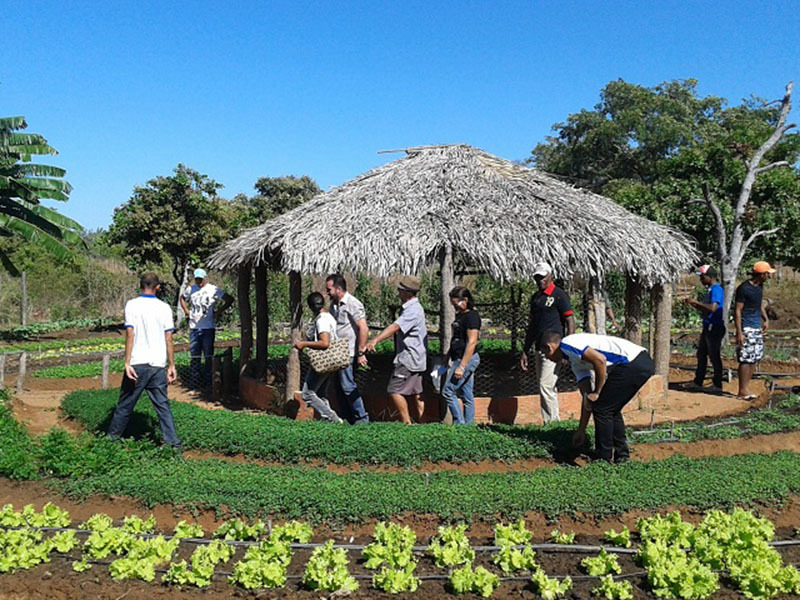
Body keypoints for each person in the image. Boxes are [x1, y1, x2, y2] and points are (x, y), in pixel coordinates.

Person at [541, 331, 654, 463]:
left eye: (545, 353)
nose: (546, 357)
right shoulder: (575, 362)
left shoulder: (567, 344)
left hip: (633, 362)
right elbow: (587, 398)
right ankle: (621, 455)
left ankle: (603, 458)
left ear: (550, 347)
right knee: (610, 408)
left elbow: (600, 360)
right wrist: (581, 430)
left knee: (603, 409)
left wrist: (597, 392)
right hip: (637, 363)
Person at [107, 273, 181, 449]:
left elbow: (130, 334)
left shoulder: (132, 305)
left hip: (137, 364)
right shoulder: (164, 308)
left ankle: (110, 444)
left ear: (140, 286)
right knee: (163, 407)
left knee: (124, 407)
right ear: (158, 288)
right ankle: (174, 446)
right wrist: (171, 365)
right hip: (157, 365)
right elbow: (168, 338)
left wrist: (127, 363)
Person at [366, 276, 427, 424]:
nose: (398, 292)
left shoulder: (412, 310)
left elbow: (395, 327)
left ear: (407, 292)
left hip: (408, 358)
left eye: (400, 290)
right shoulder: (415, 308)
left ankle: (407, 424)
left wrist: (375, 339)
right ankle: (423, 424)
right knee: (416, 393)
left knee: (394, 390)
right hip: (417, 358)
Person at [520, 262, 576, 422]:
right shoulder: (536, 298)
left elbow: (570, 321)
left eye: (542, 277)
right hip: (539, 347)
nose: (540, 280)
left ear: (550, 276)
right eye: (537, 277)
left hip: (554, 349)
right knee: (545, 385)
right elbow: (532, 325)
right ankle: (551, 421)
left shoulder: (559, 295)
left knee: (546, 386)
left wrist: (567, 347)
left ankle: (552, 423)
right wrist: (525, 349)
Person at [325, 274, 370, 424]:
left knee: (348, 386)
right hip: (338, 352)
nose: (327, 293)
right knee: (339, 387)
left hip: (348, 352)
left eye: (329, 289)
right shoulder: (334, 305)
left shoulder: (353, 304)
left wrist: (361, 352)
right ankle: (347, 417)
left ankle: (362, 418)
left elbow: (363, 328)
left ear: (338, 289)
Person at [293, 292, 345, 423]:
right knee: (321, 393)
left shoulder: (321, 320)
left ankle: (332, 418)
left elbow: (325, 342)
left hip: (322, 360)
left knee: (307, 394)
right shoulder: (329, 317)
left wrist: (304, 344)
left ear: (310, 307)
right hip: (332, 359)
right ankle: (326, 420)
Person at [180, 268, 233, 391]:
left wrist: (218, 312)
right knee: (195, 356)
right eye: (197, 279)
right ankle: (195, 384)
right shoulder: (191, 289)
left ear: (205, 278)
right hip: (194, 327)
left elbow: (229, 299)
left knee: (208, 356)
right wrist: (187, 311)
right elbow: (182, 298)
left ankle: (209, 383)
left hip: (208, 327)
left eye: (200, 279)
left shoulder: (212, 289)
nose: (199, 281)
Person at [735, 261, 775, 400]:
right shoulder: (744, 288)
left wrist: (765, 319)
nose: (769, 277)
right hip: (747, 327)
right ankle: (742, 390)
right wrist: (739, 332)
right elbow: (738, 310)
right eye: (767, 274)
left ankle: (746, 388)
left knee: (754, 358)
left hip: (756, 326)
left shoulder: (759, 287)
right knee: (745, 358)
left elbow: (759, 305)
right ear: (761, 274)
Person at [442, 286, 482, 424]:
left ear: (465, 299)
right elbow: (457, 338)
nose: (454, 306)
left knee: (447, 392)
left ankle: (460, 424)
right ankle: (469, 427)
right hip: (458, 358)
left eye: (456, 303)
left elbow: (472, 342)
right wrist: (447, 357)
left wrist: (462, 366)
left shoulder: (472, 317)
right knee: (466, 395)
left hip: (466, 359)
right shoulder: (461, 315)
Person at [684, 265, 725, 393]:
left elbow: (712, 308)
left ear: (710, 277)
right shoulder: (710, 290)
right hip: (708, 325)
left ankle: (717, 384)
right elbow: (706, 308)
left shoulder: (716, 290)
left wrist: (695, 303)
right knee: (701, 354)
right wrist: (694, 304)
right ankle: (698, 381)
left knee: (714, 356)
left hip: (714, 326)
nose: (701, 279)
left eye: (702, 277)